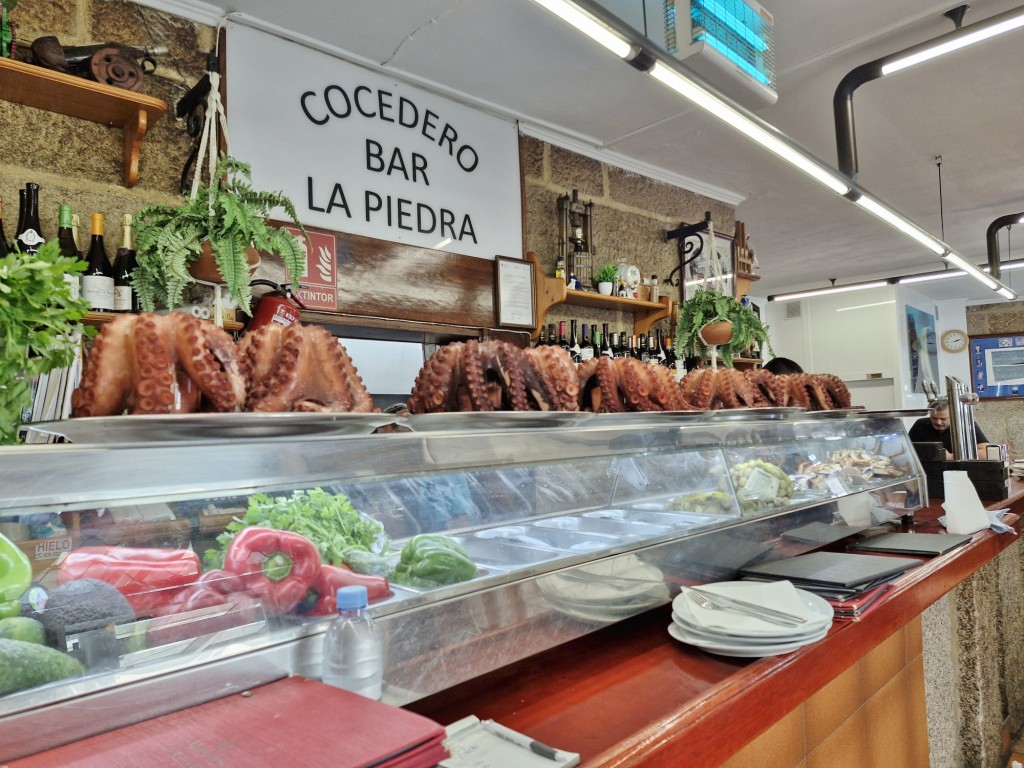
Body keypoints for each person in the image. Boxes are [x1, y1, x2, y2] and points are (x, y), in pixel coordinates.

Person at [908, 400, 988, 459]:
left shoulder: (967, 425)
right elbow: (907, 449)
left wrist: (951, 457)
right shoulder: (921, 424)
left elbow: (985, 453)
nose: (938, 422)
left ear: (953, 416)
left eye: (943, 419)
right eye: (934, 418)